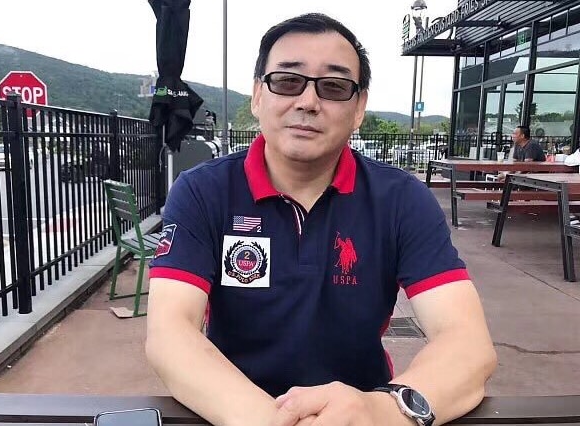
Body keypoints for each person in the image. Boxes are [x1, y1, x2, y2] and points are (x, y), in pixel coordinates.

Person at [146, 13, 496, 426]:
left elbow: (468, 343)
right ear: (258, 95)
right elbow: (170, 334)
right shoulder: (204, 192)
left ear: (359, 107)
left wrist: (380, 410)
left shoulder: (400, 199)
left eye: (333, 86)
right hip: (232, 411)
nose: (308, 101)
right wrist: (270, 420)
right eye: (287, 81)